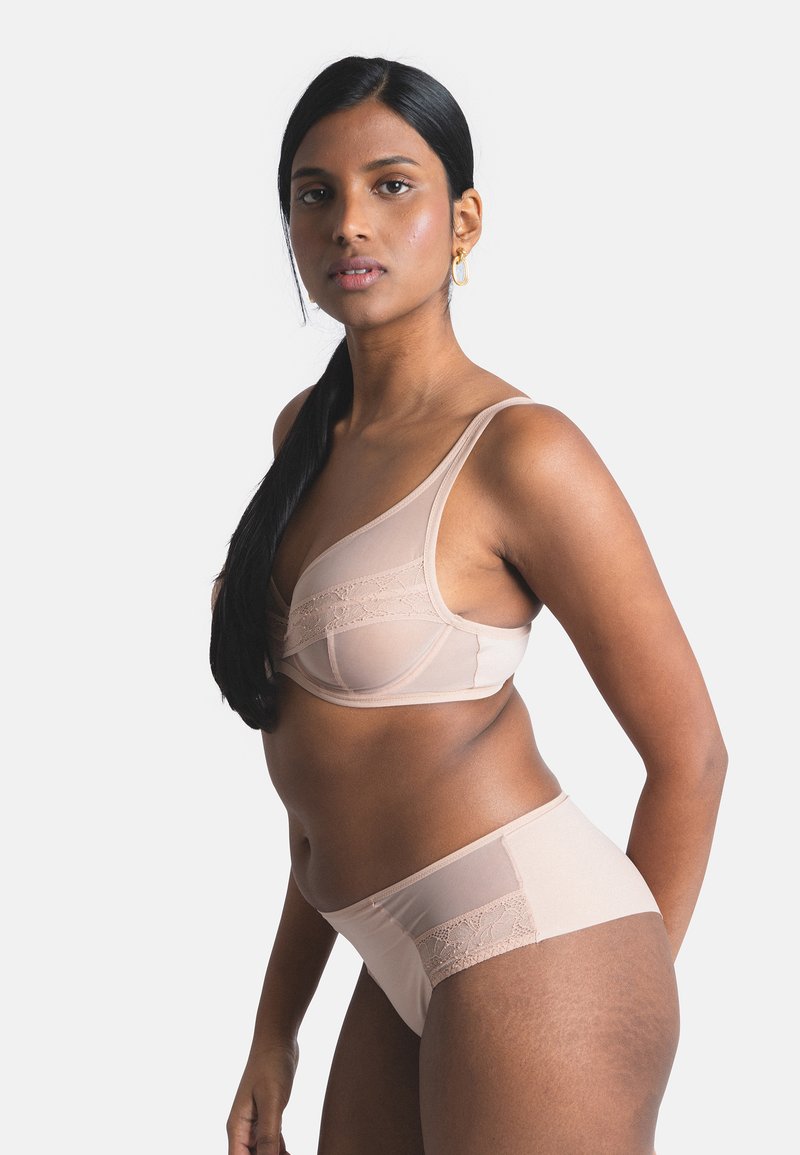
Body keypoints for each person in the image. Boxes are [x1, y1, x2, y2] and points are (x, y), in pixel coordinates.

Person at [209, 55, 727, 1155]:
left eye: (392, 185)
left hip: (535, 943)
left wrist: (618, 990)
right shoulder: (300, 438)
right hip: (388, 947)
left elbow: (691, 757)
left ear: (463, 221)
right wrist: (273, 1027)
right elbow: (323, 784)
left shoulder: (521, 453)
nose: (350, 222)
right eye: (315, 193)